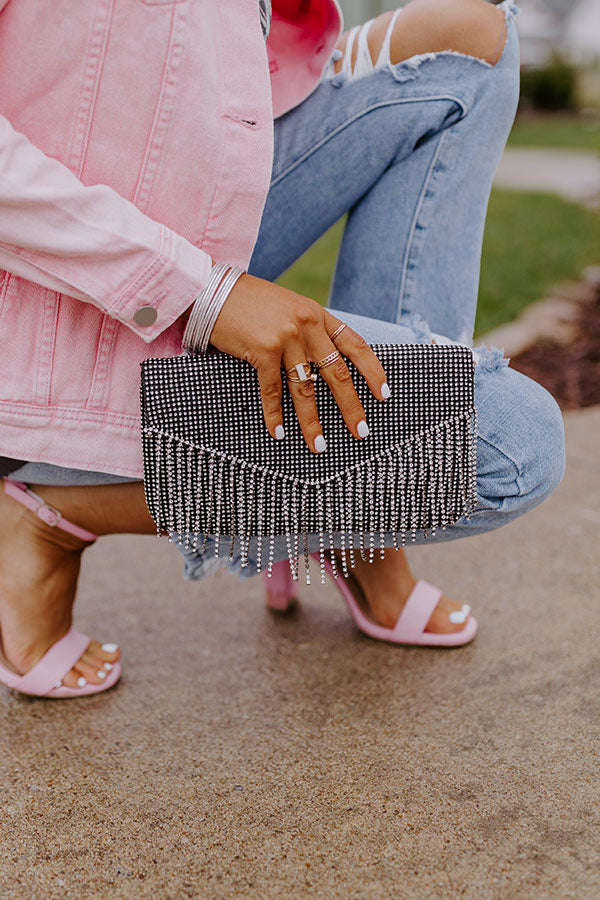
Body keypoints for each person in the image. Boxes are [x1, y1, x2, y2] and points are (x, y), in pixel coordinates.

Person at [0, 0, 565, 698]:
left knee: (475, 41)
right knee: (513, 447)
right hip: (56, 285)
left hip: (187, 188)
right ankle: (51, 509)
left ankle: (361, 519)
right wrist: (204, 293)